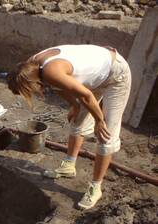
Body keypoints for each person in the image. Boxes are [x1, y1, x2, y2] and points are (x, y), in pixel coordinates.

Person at [7, 44, 131, 209]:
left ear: (30, 83)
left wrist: (99, 120)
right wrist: (74, 105)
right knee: (77, 120)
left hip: (115, 75)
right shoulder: (32, 66)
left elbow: (85, 95)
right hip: (96, 75)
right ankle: (69, 165)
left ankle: (96, 187)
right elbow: (59, 86)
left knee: (105, 134)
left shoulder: (50, 71)